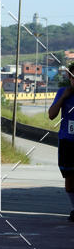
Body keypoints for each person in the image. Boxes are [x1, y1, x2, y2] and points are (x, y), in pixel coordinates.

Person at [48, 63, 74, 220]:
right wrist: (63, 98)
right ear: (70, 78)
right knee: (70, 178)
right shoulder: (62, 93)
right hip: (67, 141)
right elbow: (51, 115)